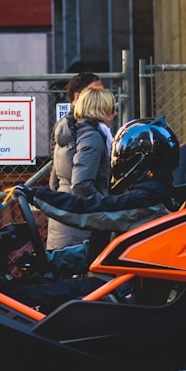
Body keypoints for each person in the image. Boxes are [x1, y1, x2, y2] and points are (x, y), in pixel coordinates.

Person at [12, 117, 181, 289]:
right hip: (112, 283)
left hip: (118, 291)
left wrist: (36, 196)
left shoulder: (149, 201)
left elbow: (88, 211)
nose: (117, 162)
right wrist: (49, 260)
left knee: (26, 295)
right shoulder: (151, 197)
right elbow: (98, 251)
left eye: (124, 157)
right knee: (28, 289)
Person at [47, 73, 110, 249]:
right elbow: (81, 183)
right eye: (95, 92)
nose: (101, 96)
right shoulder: (89, 133)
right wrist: (107, 206)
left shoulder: (63, 128)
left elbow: (55, 179)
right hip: (80, 220)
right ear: (78, 97)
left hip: (64, 212)